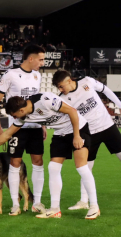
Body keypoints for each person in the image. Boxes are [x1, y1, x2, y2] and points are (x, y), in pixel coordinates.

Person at [0, 92, 100, 220]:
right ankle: (55, 209)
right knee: (53, 167)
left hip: (78, 129)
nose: (14, 118)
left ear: (21, 110)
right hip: (60, 133)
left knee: (81, 167)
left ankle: (94, 206)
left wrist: (77, 136)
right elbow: (8, 134)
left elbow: (72, 111)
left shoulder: (45, 100)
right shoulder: (23, 117)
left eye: (14, 115)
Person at [53, 70, 121, 210]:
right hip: (89, 133)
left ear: (69, 81)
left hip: (108, 126)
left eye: (61, 86)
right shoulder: (62, 99)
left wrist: (119, 105)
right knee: (85, 167)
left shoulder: (87, 81)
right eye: (58, 88)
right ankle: (84, 201)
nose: (60, 90)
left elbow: (106, 90)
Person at [0, 44, 46, 215]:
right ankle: (15, 203)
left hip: (35, 126)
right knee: (15, 163)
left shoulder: (37, 75)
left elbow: (39, 102)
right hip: (17, 128)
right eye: (41, 59)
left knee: (38, 162)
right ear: (31, 58)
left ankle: (37, 202)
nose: (42, 63)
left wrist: (43, 124)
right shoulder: (11, 75)